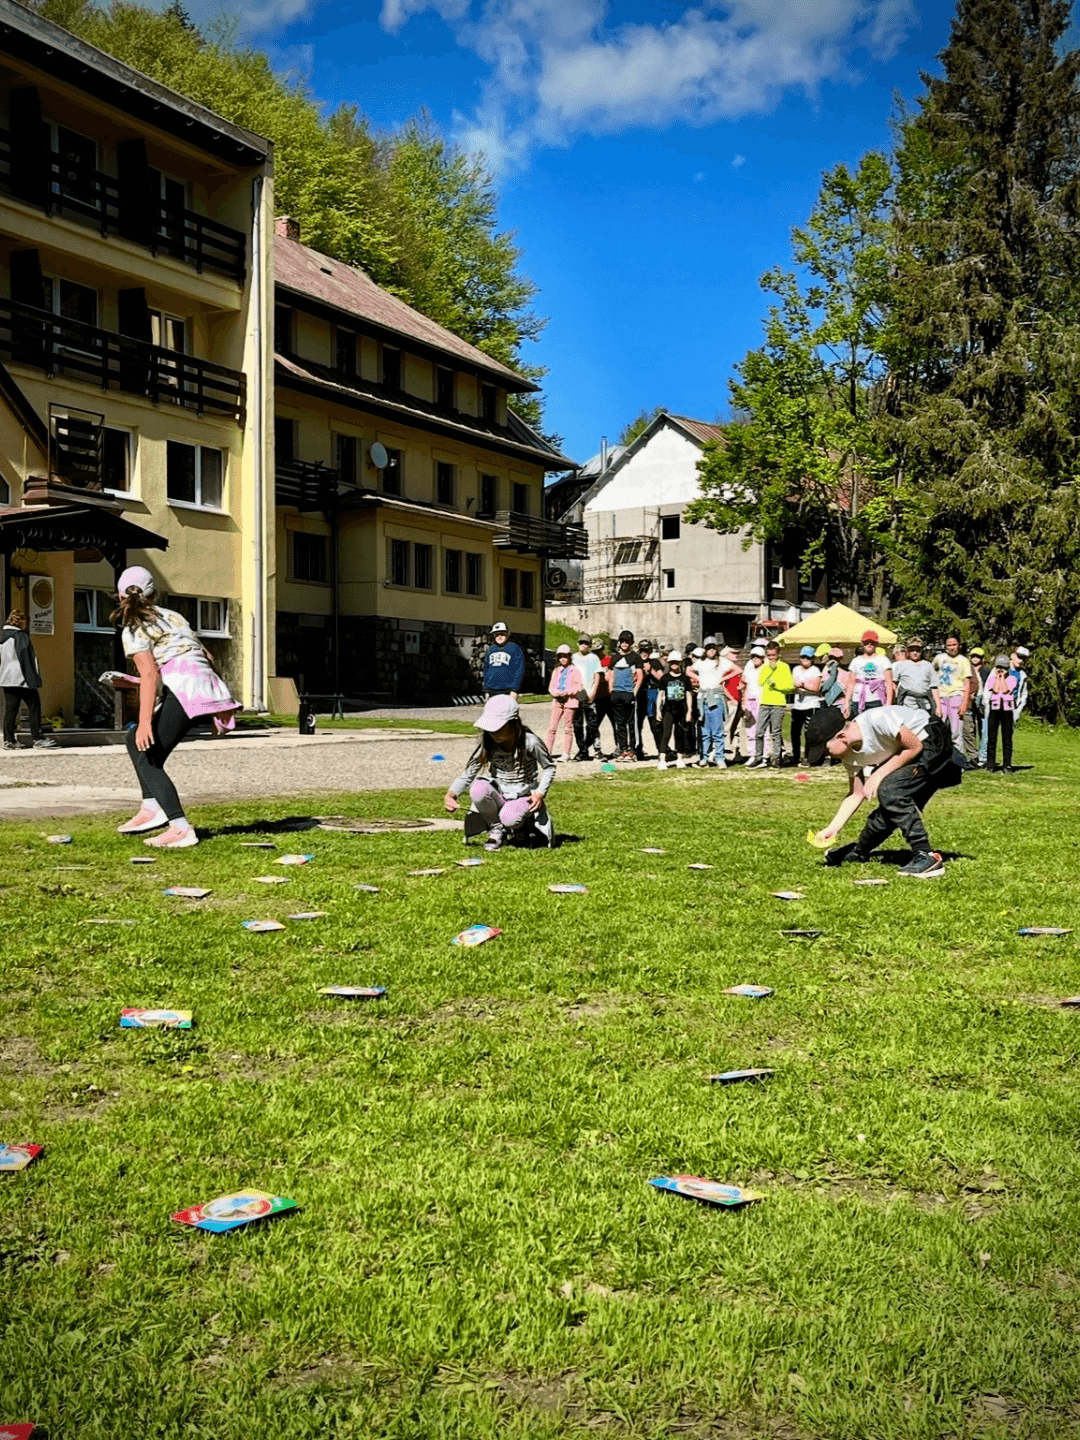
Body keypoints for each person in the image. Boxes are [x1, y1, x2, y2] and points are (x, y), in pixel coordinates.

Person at [108, 566, 240, 848]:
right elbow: (204, 655)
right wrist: (218, 703)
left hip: (183, 688)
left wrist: (144, 722)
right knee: (137, 743)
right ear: (154, 593)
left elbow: (150, 675)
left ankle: (179, 827)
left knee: (148, 755)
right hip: (204, 686)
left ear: (120, 596)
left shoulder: (134, 627)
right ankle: (151, 807)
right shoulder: (174, 616)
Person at [806, 703, 962, 878]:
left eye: (826, 749)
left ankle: (926, 855)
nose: (827, 755)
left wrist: (878, 774)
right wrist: (832, 828)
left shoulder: (877, 720)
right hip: (910, 751)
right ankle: (860, 852)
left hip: (931, 741)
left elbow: (914, 747)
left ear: (841, 736)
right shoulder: (849, 756)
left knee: (890, 789)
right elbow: (856, 793)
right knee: (891, 804)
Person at [444, 694, 555, 850]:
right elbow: (471, 771)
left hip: (523, 796)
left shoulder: (530, 742)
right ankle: (497, 829)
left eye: (497, 728)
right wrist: (452, 793)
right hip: (500, 793)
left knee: (509, 816)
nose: (492, 733)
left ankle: (523, 828)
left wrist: (539, 794)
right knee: (478, 789)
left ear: (513, 724)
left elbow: (549, 767)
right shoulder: (488, 742)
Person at [1, 610, 56, 749]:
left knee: (11, 710)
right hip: (22, 678)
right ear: (21, 621)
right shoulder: (20, 636)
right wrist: (33, 679)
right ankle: (38, 738)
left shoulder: (2, 637)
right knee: (34, 707)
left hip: (6, 678)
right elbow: (27, 658)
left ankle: (9, 740)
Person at [749, 640, 793, 769]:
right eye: (769, 655)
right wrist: (770, 670)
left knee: (775, 733)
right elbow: (760, 682)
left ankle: (776, 759)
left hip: (778, 704)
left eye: (773, 655)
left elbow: (790, 686)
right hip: (764, 703)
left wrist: (777, 685)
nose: (771, 658)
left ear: (778, 654)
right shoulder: (764, 667)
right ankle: (758, 757)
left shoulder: (784, 667)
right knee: (759, 732)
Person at [693, 637, 730, 768]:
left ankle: (720, 758)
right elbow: (688, 670)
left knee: (718, 730)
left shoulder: (723, 662)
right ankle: (704, 757)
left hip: (716, 696)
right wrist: (699, 679)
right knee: (705, 731)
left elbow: (738, 670)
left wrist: (723, 678)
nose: (711, 650)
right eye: (708, 648)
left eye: (713, 647)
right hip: (703, 697)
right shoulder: (700, 662)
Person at [656, 650, 695, 769]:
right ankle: (662, 759)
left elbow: (688, 695)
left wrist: (689, 711)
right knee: (666, 733)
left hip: (681, 709)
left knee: (680, 734)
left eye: (676, 662)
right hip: (668, 709)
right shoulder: (665, 678)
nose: (674, 665)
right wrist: (658, 710)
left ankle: (680, 759)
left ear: (680, 663)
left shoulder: (685, 678)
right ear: (669, 664)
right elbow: (660, 695)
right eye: (672, 662)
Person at [609, 630, 643, 762]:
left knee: (631, 723)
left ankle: (632, 750)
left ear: (631, 643)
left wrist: (634, 693)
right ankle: (623, 750)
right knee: (620, 724)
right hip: (616, 694)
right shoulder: (615, 657)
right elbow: (611, 675)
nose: (624, 644)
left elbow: (639, 676)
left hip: (629, 693)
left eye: (627, 641)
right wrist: (611, 690)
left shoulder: (635, 657)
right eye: (622, 641)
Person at [844, 630, 894, 715]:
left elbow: (888, 682)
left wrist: (888, 703)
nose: (869, 644)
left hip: (877, 698)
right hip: (858, 698)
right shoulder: (856, 661)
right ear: (862, 643)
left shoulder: (883, 660)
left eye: (872, 642)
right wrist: (846, 703)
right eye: (867, 642)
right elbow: (851, 683)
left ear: (876, 643)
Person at [570, 633, 601, 761]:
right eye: (581, 643)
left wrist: (593, 691)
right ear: (577, 644)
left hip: (589, 693)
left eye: (586, 643)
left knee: (592, 724)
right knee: (577, 724)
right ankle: (582, 750)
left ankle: (597, 749)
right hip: (576, 695)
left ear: (589, 645)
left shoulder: (593, 658)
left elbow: (597, 675)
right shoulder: (572, 658)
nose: (583, 645)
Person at [789, 645, 823, 765]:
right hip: (798, 706)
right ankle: (795, 757)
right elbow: (792, 685)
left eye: (808, 658)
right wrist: (797, 685)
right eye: (803, 657)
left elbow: (815, 688)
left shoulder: (815, 670)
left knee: (809, 733)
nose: (805, 660)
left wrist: (803, 685)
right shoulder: (796, 669)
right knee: (795, 733)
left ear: (812, 659)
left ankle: (809, 758)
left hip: (811, 705)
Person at [545, 644, 579, 761]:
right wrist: (555, 693)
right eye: (560, 657)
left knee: (568, 728)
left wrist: (568, 692)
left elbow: (579, 686)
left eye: (565, 656)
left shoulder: (574, 670)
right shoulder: (556, 671)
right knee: (552, 727)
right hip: (558, 701)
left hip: (570, 701)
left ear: (569, 657)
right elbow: (551, 686)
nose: (563, 659)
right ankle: (547, 751)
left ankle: (566, 753)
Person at [985, 654, 1018, 772]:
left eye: (1003, 668)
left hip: (1007, 710)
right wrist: (997, 678)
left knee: (1007, 738)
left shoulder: (1012, 679)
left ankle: (1007, 764)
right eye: (998, 667)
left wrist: (1003, 678)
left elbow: (1005, 690)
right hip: (995, 709)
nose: (1000, 670)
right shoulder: (992, 679)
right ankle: (990, 764)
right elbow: (995, 689)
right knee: (991, 738)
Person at [892, 637, 940, 716]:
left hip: (925, 704)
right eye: (912, 650)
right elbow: (894, 685)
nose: (915, 653)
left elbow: (934, 687)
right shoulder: (901, 665)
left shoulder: (928, 665)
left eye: (917, 650)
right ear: (908, 651)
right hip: (906, 705)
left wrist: (938, 707)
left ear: (921, 651)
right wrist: (894, 701)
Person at [740, 644, 769, 765]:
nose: (755, 659)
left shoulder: (766, 669)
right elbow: (746, 687)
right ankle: (753, 754)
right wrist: (744, 703)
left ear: (763, 658)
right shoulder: (750, 670)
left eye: (758, 656)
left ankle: (764, 755)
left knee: (763, 730)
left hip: (762, 701)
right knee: (750, 730)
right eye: (753, 656)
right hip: (750, 701)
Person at [482, 622, 524, 699]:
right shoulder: (490, 649)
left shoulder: (514, 648)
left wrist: (514, 689)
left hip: (508, 689)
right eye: (496, 634)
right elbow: (486, 669)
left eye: (502, 634)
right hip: (492, 689)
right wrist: (486, 690)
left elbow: (519, 669)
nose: (499, 636)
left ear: (507, 634)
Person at [965, 647, 987, 767]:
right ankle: (973, 755)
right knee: (969, 727)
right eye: (973, 656)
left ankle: (982, 755)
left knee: (983, 728)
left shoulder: (985, 671)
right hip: (969, 701)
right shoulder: (967, 668)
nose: (975, 659)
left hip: (981, 701)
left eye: (977, 657)